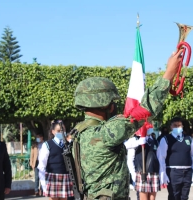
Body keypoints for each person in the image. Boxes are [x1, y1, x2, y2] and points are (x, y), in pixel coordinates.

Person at [72, 50, 183, 200]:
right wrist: (169, 72)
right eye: (113, 102)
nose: (114, 106)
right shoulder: (105, 133)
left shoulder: (80, 132)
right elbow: (146, 109)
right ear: (106, 104)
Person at [157, 117, 193, 200]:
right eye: (175, 125)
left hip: (187, 171)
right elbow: (161, 157)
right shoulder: (166, 139)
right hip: (173, 172)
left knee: (185, 196)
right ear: (171, 127)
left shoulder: (188, 139)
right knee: (174, 196)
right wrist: (163, 173)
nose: (177, 127)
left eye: (179, 125)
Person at [37, 120, 74, 200]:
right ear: (53, 131)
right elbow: (42, 166)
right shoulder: (47, 145)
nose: (61, 132)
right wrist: (44, 184)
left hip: (66, 177)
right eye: (58, 131)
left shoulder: (69, 145)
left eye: (63, 130)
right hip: (52, 177)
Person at [125, 128, 160, 200]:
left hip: (153, 172)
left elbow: (159, 157)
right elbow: (130, 160)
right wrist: (133, 174)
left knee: (152, 198)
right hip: (141, 172)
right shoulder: (135, 140)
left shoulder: (155, 140)